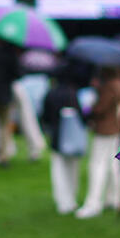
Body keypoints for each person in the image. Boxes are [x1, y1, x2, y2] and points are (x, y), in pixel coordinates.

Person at [76, 65, 120, 218]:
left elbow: (100, 109)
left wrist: (90, 107)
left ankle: (93, 203)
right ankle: (115, 198)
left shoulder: (109, 87)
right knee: (113, 165)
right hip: (115, 129)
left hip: (105, 130)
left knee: (97, 166)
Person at [41, 64, 87, 214]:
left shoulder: (51, 93)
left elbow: (45, 117)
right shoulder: (72, 93)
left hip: (56, 137)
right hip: (73, 138)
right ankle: (71, 200)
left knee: (58, 170)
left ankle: (62, 201)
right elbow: (81, 116)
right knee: (72, 169)